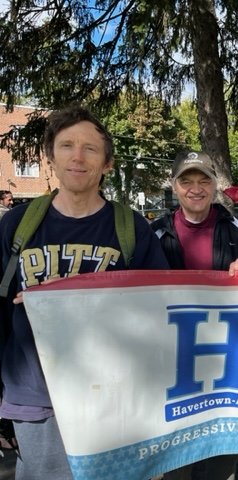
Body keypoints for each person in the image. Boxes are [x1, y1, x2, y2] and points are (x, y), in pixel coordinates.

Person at [0, 105, 169, 480]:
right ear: (50, 158)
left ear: (106, 163)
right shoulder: (16, 226)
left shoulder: (132, 228)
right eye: (67, 146)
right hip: (36, 397)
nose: (78, 157)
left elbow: (159, 311)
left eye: (90, 148)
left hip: (113, 396)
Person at [151, 150, 238, 480]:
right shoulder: (156, 233)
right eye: (187, 181)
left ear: (215, 184)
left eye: (204, 180)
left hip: (225, 365)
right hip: (174, 367)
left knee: (222, 458)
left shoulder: (235, 227)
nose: (196, 188)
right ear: (175, 186)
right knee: (176, 464)